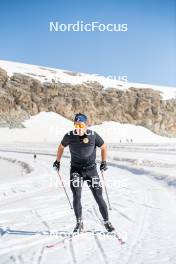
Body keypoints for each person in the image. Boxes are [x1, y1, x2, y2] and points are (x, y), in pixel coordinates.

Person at [53, 113, 115, 233]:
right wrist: (57, 161)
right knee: (76, 196)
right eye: (76, 125)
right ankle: (79, 223)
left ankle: (107, 221)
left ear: (86, 125)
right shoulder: (69, 136)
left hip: (91, 171)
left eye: (80, 125)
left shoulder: (93, 135)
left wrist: (104, 162)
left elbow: (103, 147)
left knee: (98, 196)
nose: (78, 128)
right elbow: (61, 147)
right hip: (76, 170)